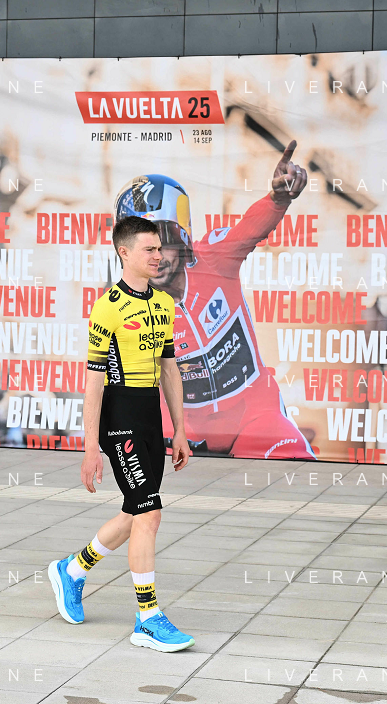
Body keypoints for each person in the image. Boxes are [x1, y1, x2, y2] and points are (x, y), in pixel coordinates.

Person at [113, 141, 316, 460]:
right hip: (186, 432)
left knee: (295, 463)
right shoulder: (131, 307)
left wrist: (278, 199)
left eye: (164, 243)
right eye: (144, 249)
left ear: (182, 237)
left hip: (254, 416)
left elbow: (250, 228)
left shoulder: (216, 258)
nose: (156, 259)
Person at [48, 216, 196, 652]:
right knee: (150, 513)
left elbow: (169, 369)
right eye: (149, 249)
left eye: (159, 248)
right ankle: (147, 619)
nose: (158, 256)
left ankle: (72, 570)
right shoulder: (107, 307)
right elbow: (94, 383)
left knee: (136, 511)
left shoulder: (164, 303)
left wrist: (180, 429)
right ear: (124, 252)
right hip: (119, 417)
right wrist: (90, 447)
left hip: (149, 415)